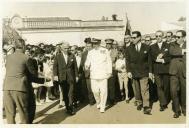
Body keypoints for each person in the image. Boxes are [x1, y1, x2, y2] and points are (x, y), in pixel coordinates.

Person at [3, 38, 50, 124]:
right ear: (23, 46)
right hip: (19, 89)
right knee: (24, 115)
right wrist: (45, 80)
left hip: (7, 88)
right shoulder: (26, 58)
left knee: (10, 116)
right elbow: (33, 76)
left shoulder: (8, 57)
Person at [126, 31, 152, 115]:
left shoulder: (146, 47)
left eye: (134, 38)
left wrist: (150, 72)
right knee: (136, 90)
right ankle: (139, 102)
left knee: (144, 89)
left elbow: (150, 61)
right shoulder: (129, 48)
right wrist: (128, 71)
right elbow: (127, 61)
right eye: (131, 38)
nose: (132, 39)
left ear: (139, 37)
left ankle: (146, 106)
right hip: (133, 72)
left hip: (144, 72)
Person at [85, 38, 112, 113]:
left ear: (99, 43)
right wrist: (86, 65)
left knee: (103, 91)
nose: (94, 45)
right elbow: (88, 61)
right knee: (95, 91)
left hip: (103, 75)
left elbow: (109, 62)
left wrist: (109, 72)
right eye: (93, 44)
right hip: (93, 75)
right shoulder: (90, 52)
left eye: (96, 43)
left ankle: (102, 106)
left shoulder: (104, 50)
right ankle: (98, 102)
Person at [53, 42, 78, 115]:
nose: (67, 50)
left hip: (71, 77)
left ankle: (70, 108)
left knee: (70, 93)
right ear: (61, 48)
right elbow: (55, 67)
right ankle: (67, 107)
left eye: (68, 48)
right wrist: (55, 75)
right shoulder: (58, 56)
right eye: (65, 48)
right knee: (65, 94)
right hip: (62, 78)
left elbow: (75, 67)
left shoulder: (72, 55)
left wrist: (76, 76)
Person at [149, 30, 171, 112]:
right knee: (159, 86)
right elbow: (150, 60)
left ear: (163, 36)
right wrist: (151, 72)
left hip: (166, 69)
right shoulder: (152, 46)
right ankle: (163, 104)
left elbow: (170, 57)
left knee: (166, 87)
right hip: (157, 70)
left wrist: (163, 60)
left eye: (160, 36)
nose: (158, 37)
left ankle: (165, 100)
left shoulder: (168, 45)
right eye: (156, 36)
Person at [169, 30, 186, 118]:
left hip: (184, 72)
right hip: (174, 72)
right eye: (176, 37)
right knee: (173, 91)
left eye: (179, 37)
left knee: (184, 92)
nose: (176, 38)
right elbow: (172, 52)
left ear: (183, 37)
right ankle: (176, 111)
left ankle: (185, 109)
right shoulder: (172, 44)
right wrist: (183, 51)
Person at [79, 38, 96, 105]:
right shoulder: (84, 53)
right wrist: (80, 72)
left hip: (94, 73)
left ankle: (96, 99)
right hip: (87, 73)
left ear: (92, 46)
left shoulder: (95, 53)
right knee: (88, 88)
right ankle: (91, 100)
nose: (88, 47)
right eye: (87, 46)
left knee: (95, 88)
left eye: (89, 46)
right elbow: (82, 63)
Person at [105, 38, 117, 106]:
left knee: (111, 86)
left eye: (110, 44)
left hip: (112, 70)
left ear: (112, 44)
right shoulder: (103, 51)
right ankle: (106, 99)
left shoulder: (115, 51)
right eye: (107, 44)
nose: (108, 45)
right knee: (105, 86)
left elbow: (115, 61)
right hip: (104, 71)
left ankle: (112, 99)